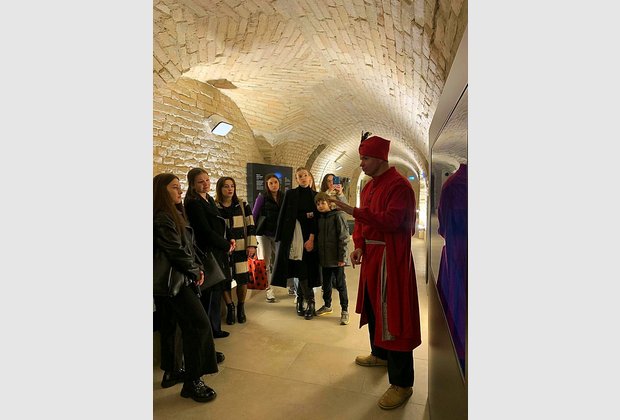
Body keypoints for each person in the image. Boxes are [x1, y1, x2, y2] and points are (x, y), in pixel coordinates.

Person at [330, 135, 421, 410]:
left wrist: (351, 210)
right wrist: (359, 244)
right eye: (361, 158)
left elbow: (393, 222)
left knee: (393, 316)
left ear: (381, 158)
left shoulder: (399, 186)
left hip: (391, 259)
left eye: (365, 158)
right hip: (372, 257)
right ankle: (379, 353)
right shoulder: (369, 186)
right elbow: (363, 224)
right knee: (373, 306)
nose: (362, 163)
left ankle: (402, 383)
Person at [153, 173, 221, 403]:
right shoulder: (162, 217)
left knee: (178, 327)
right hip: (175, 281)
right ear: (162, 191)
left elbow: (186, 247)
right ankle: (193, 382)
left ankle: (175, 372)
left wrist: (196, 267)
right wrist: (195, 271)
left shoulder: (171, 213)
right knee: (199, 326)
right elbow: (176, 250)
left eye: (179, 187)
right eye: (174, 187)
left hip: (176, 280)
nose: (180, 191)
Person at [184, 168, 236, 338]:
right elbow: (204, 231)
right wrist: (225, 245)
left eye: (207, 180)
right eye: (201, 181)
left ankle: (215, 328)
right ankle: (210, 330)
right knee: (209, 292)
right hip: (207, 251)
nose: (205, 184)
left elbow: (219, 223)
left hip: (217, 249)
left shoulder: (209, 199)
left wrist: (230, 238)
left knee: (216, 290)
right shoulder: (193, 203)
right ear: (192, 184)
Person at [271, 167, 321, 320]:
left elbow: (317, 218)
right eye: (300, 176)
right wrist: (280, 237)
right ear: (296, 179)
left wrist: (312, 239)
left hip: (310, 237)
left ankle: (305, 301)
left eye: (305, 175)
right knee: (299, 269)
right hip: (294, 237)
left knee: (306, 269)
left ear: (310, 177)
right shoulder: (291, 194)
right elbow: (284, 215)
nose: (303, 178)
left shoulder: (315, 196)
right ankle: (306, 301)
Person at [437, 163, 467, 373]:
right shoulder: (456, 184)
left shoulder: (455, 184)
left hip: (458, 255)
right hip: (460, 258)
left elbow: (444, 227)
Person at [215, 177, 258, 324]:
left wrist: (251, 245)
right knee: (225, 280)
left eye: (232, 186)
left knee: (242, 279)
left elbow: (251, 225)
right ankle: (230, 307)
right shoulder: (215, 206)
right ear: (220, 189)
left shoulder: (242, 205)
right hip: (223, 249)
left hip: (240, 247)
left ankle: (241, 307)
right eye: (226, 186)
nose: (230, 189)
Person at [314, 192, 351, 325]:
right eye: (318, 204)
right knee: (326, 284)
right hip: (324, 259)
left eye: (323, 203)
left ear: (329, 203)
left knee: (340, 284)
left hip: (336, 259)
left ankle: (345, 310)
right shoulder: (320, 218)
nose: (320, 206)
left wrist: (342, 258)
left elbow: (344, 237)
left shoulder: (338, 215)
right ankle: (327, 305)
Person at [251, 173, 284, 303]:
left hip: (278, 234)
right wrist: (251, 234)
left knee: (282, 259)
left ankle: (291, 286)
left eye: (275, 182)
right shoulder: (262, 197)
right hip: (264, 233)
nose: (274, 185)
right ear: (267, 184)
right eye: (271, 183)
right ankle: (268, 289)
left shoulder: (283, 196)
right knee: (265, 261)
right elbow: (254, 214)